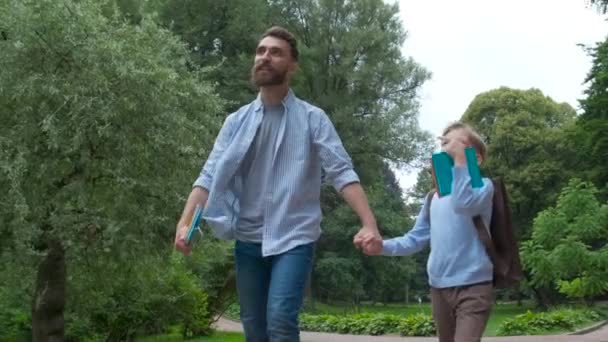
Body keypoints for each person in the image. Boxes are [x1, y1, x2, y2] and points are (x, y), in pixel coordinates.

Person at [174, 26, 381, 342]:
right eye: (260, 51)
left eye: (275, 52)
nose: (265, 57)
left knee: (281, 323)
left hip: (294, 236)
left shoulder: (313, 119)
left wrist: (369, 224)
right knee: (254, 330)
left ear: (293, 65)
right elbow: (208, 177)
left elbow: (342, 172)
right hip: (248, 238)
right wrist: (185, 222)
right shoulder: (236, 121)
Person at [358, 122, 494, 342]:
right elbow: (415, 239)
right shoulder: (433, 197)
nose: (449, 150)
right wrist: (382, 246)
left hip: (474, 286)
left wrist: (461, 161)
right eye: (445, 145)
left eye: (457, 144)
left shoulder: (484, 187)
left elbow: (464, 204)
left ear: (476, 158)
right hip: (439, 287)